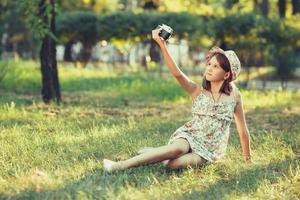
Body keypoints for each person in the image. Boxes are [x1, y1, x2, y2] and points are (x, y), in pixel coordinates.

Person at [102, 27, 252, 172]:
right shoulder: (197, 91)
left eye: (216, 66)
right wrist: (162, 45)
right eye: (209, 64)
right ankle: (120, 166)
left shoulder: (234, 97)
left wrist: (248, 159)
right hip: (190, 136)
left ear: (227, 75)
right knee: (179, 148)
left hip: (209, 149)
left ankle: (157, 153)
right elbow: (178, 74)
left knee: (173, 164)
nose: (209, 69)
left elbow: (242, 129)